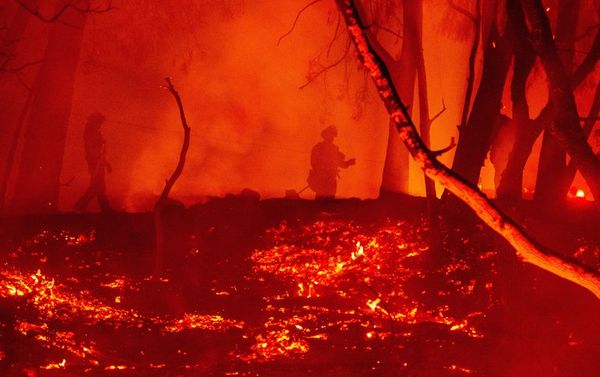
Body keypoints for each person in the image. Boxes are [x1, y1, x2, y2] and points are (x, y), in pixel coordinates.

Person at [74, 112, 113, 212]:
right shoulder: (90, 132)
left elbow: (98, 150)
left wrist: (105, 163)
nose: (100, 124)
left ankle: (104, 208)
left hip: (97, 162)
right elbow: (93, 149)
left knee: (98, 186)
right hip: (95, 163)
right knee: (97, 186)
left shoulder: (94, 131)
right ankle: (80, 206)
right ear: (95, 121)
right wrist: (100, 162)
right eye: (99, 121)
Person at [307, 126, 355, 199]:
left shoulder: (334, 149)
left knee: (330, 203)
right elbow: (313, 162)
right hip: (321, 181)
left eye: (333, 135)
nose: (331, 137)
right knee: (320, 202)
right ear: (324, 135)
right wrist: (323, 171)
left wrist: (348, 163)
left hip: (331, 182)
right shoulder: (318, 147)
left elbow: (339, 163)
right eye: (329, 134)